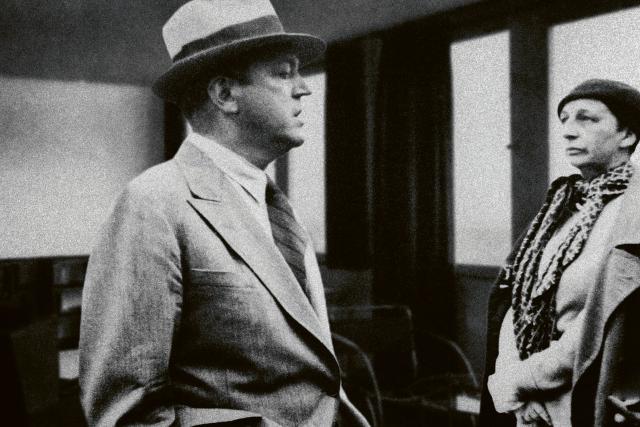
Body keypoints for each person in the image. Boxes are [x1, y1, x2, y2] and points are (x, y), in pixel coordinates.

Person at [78, 1, 370, 426]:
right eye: (284, 73)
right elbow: (126, 414)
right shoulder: (153, 203)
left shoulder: (274, 206)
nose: (303, 88)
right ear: (225, 95)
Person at [479, 79, 640, 427]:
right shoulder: (561, 208)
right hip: (529, 405)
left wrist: (518, 383)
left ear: (627, 135)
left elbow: (598, 325)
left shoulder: (633, 213)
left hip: (590, 399)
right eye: (565, 119)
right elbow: (517, 300)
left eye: (586, 119)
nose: (568, 131)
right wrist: (512, 387)